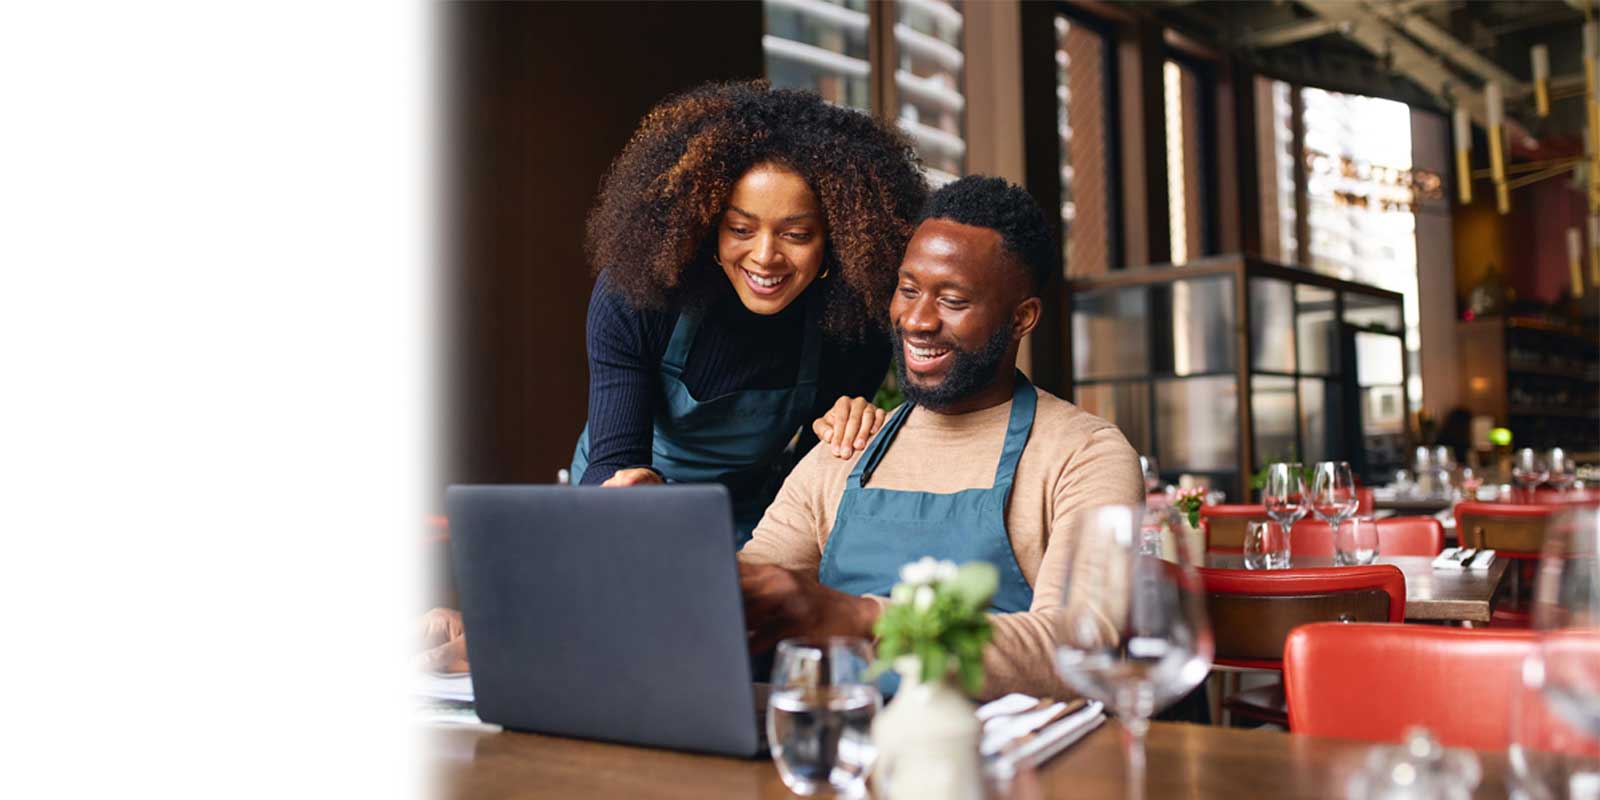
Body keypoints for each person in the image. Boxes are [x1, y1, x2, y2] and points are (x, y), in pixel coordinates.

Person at [738, 176, 1143, 700]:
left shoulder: (1084, 455)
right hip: (841, 750)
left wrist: (859, 617)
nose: (917, 320)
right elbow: (755, 587)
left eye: (951, 300)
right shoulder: (847, 445)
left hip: (1005, 768)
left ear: (1022, 318)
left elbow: (1082, 644)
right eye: (908, 290)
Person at [570, 81, 929, 544]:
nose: (764, 257)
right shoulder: (638, 295)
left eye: (796, 235)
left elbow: (808, 486)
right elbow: (613, 458)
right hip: (626, 502)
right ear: (707, 225)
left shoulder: (854, 325)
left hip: (747, 518)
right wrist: (630, 488)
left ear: (838, 240)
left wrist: (847, 435)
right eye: (740, 228)